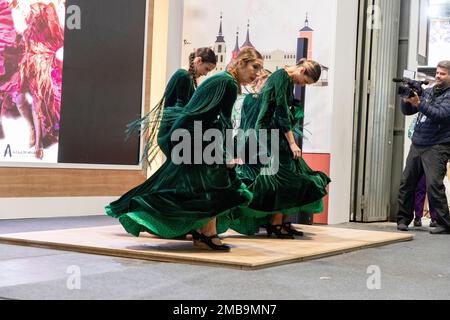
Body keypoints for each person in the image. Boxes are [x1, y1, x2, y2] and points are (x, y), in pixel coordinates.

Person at [106, 47, 264, 251]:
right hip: (193, 136)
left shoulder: (227, 81)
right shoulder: (226, 82)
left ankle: (204, 232)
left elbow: (217, 119)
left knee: (205, 185)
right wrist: (225, 155)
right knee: (212, 184)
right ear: (241, 62)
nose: (257, 73)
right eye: (255, 67)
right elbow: (219, 120)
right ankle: (204, 233)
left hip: (196, 135)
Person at [230, 59, 331, 238]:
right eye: (304, 80)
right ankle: (275, 222)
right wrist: (292, 142)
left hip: (272, 133)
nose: (302, 84)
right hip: (267, 134)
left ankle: (282, 221)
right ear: (301, 69)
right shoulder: (281, 77)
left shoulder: (285, 79)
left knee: (293, 174)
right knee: (285, 176)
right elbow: (281, 112)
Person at [127, 47, 217, 163]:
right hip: (171, 133)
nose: (205, 74)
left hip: (175, 133)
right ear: (198, 61)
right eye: (206, 69)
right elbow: (182, 110)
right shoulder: (183, 76)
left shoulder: (187, 77)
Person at [397, 60, 450, 234]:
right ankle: (403, 220)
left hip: (437, 145)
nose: (438, 76)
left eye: (442, 73)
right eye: (437, 72)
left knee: (434, 185)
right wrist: (407, 99)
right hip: (418, 142)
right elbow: (407, 111)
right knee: (407, 183)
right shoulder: (427, 92)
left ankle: (444, 223)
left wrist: (420, 103)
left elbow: (441, 115)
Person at [407, 114, 438, 227]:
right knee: (420, 187)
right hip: (419, 155)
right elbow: (410, 132)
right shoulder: (419, 117)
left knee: (433, 188)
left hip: (433, 156)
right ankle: (418, 216)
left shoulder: (437, 117)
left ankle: (434, 218)